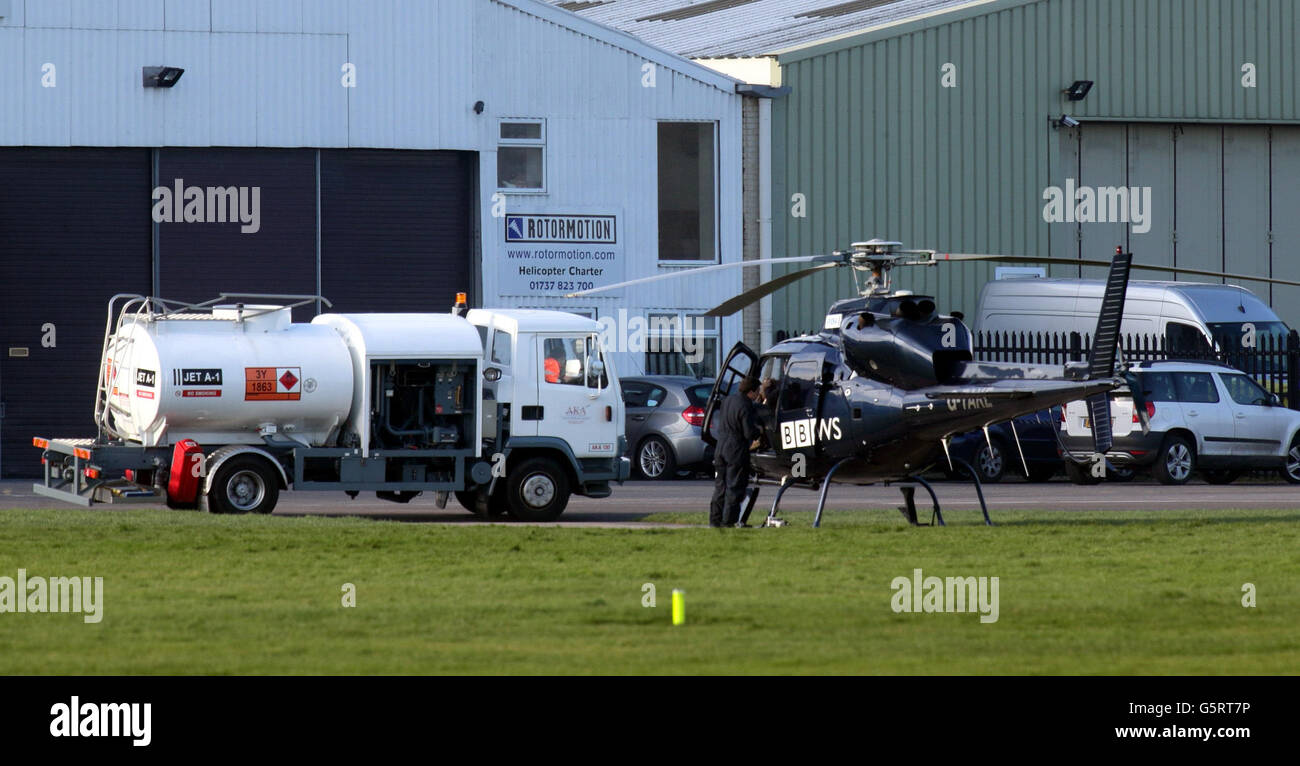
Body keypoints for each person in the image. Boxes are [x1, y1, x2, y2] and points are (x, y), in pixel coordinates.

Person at [709, 376, 762, 528]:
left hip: (720, 447)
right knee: (734, 487)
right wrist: (758, 433)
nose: (758, 395)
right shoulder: (745, 405)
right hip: (735, 450)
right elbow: (748, 433)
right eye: (757, 391)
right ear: (751, 392)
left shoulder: (728, 400)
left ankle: (715, 520)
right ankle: (728, 521)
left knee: (720, 487)